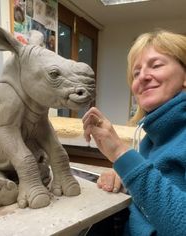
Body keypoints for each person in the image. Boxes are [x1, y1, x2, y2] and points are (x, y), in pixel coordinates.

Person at [82, 29, 186, 236]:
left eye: (156, 65)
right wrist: (123, 174)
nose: (143, 77)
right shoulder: (152, 137)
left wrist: (122, 155)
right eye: (136, 73)